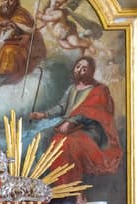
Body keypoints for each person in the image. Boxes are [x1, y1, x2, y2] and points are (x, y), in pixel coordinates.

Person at [29, 53, 122, 182]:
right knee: (42, 136)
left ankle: (67, 182)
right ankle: (41, 174)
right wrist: (43, 115)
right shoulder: (72, 88)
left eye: (84, 69)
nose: (79, 70)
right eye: (78, 67)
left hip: (88, 128)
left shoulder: (98, 90)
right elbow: (62, 107)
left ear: (90, 72)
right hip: (66, 124)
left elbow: (90, 112)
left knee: (65, 143)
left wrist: (71, 122)